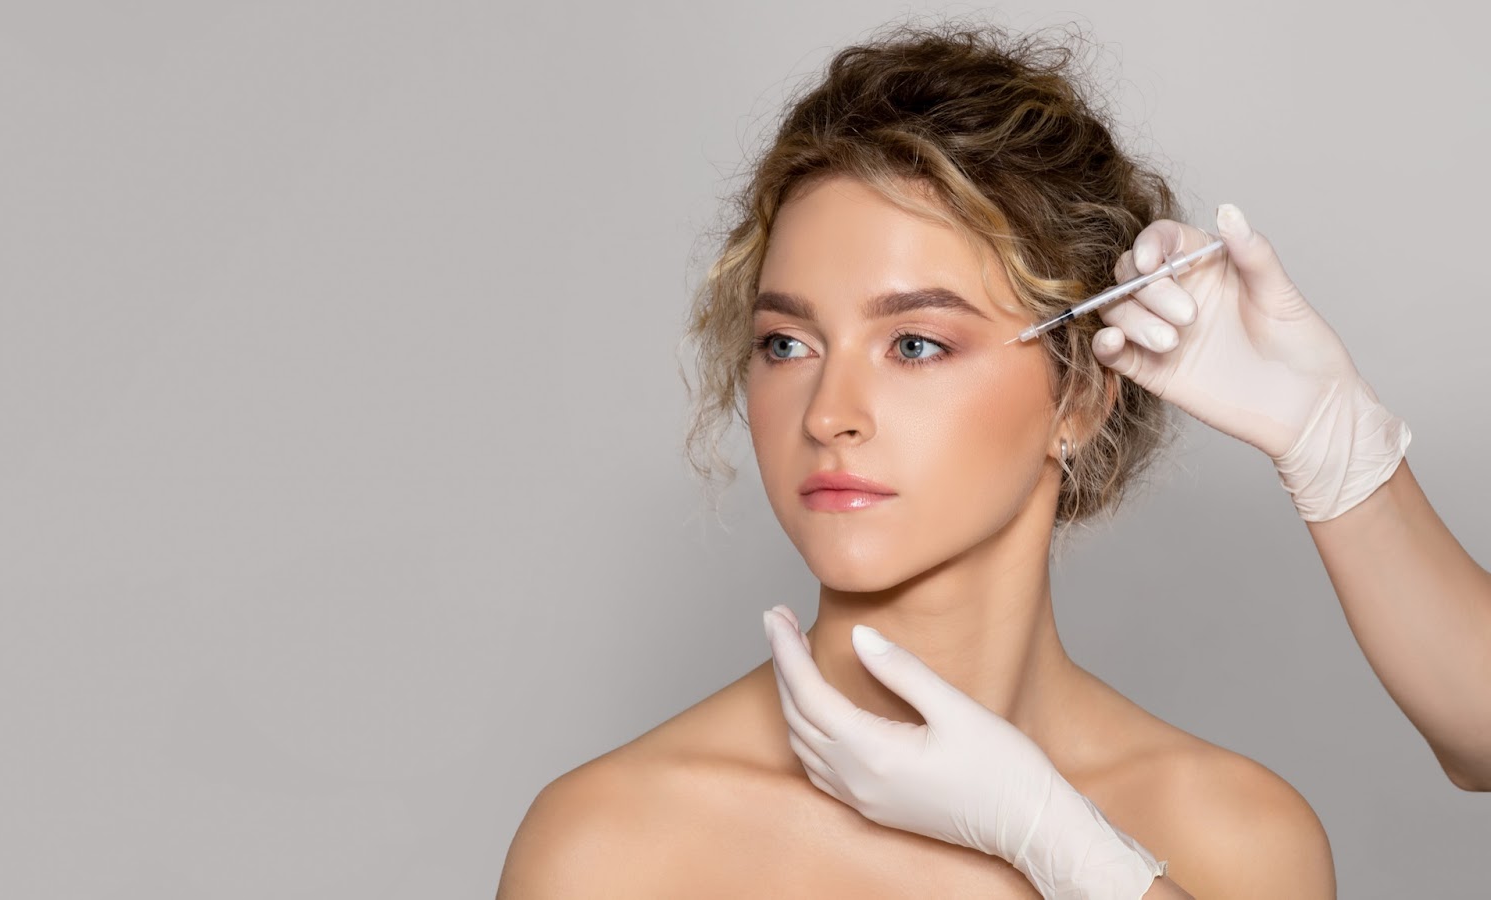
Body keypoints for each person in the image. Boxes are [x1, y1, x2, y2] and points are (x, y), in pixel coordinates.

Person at [497, 21, 1339, 899]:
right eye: (786, 344)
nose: (828, 416)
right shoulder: (612, 846)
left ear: (1082, 396)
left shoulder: (1239, 838)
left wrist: (1073, 855)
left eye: (915, 346)